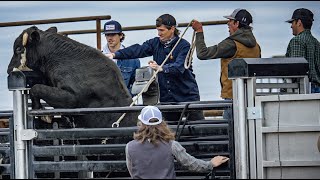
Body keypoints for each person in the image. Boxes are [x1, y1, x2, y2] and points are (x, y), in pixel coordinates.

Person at [106, 14, 204, 121]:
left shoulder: (184, 46)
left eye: (162, 30)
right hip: (167, 98)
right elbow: (138, 49)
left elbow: (179, 67)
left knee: (198, 128)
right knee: (169, 130)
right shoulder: (155, 43)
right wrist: (116, 55)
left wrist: (161, 68)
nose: (159, 33)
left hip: (187, 95)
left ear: (172, 29)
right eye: (158, 30)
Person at [191, 8, 261, 119]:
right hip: (250, 96)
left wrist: (199, 31)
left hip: (233, 98)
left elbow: (202, 54)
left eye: (230, 21)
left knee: (229, 132)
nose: (228, 23)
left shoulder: (231, 44)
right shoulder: (256, 46)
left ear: (237, 23)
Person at [125, 105, 229, 179]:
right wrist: (210, 164)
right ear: (162, 123)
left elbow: (132, 171)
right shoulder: (171, 145)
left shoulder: (129, 147)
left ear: (141, 123)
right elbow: (191, 164)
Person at [285, 8, 320, 93]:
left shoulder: (297, 40)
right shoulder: (316, 42)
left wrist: (285, 88)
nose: (291, 26)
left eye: (292, 22)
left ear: (299, 23)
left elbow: (296, 70)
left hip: (304, 89)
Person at [102, 20, 141, 96]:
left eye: (113, 35)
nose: (109, 38)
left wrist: (125, 98)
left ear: (121, 35)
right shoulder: (98, 58)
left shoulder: (133, 60)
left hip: (124, 103)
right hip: (103, 103)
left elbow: (136, 85)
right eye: (107, 35)